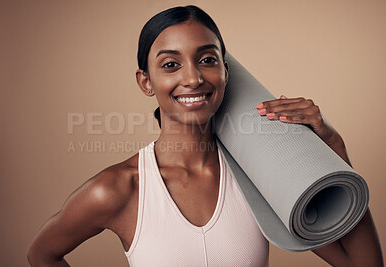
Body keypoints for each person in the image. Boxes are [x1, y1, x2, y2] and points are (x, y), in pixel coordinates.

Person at [27, 5, 383, 267]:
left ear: (226, 73)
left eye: (208, 59)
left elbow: (363, 264)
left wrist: (334, 150)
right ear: (146, 82)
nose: (193, 78)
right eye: (170, 64)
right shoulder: (120, 189)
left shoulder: (260, 179)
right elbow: (42, 254)